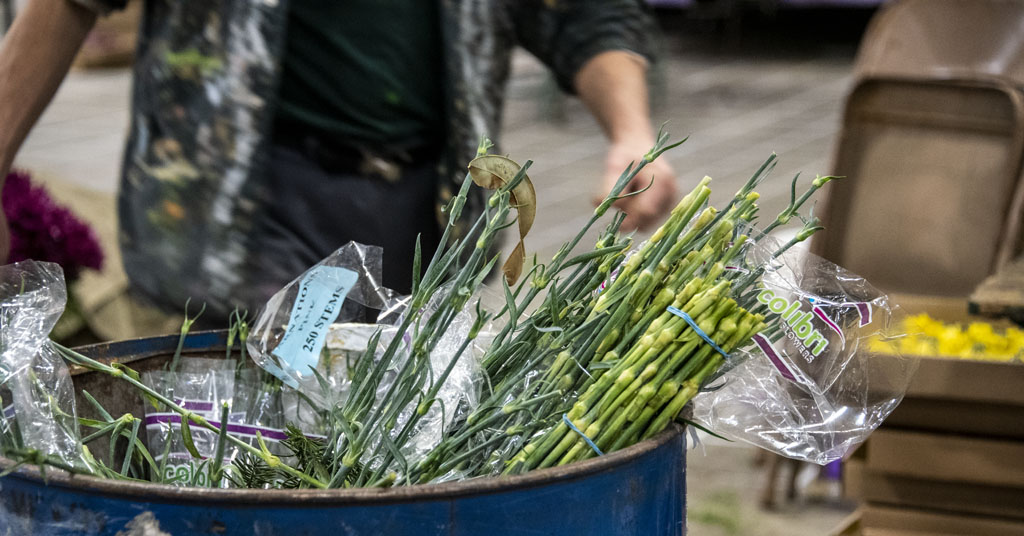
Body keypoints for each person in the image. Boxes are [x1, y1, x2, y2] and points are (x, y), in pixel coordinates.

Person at [0, 0, 676, 320]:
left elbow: (582, 15)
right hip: (250, 209)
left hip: (425, 213)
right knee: (252, 465)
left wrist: (630, 131)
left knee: (392, 471)